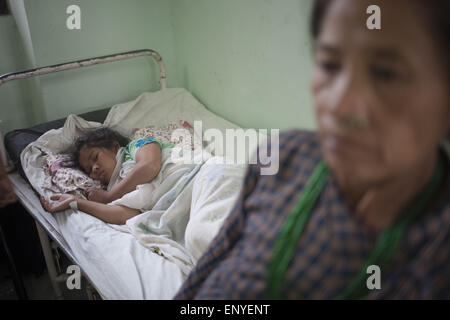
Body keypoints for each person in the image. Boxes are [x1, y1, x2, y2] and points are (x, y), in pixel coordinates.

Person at [175, 0, 450, 299]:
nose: (339, 105)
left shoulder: (436, 255)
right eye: (329, 64)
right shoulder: (283, 156)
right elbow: (210, 265)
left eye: (386, 74)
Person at [40, 128, 173, 225]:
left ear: (114, 147)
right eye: (89, 170)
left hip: (188, 178)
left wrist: (108, 197)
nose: (95, 168)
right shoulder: (116, 186)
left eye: (95, 157)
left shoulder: (136, 146)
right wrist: (76, 202)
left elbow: (150, 165)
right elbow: (128, 215)